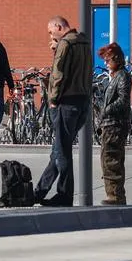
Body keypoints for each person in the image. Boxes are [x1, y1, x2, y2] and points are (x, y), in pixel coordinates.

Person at [34, 16, 92, 207]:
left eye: (51, 32)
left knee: (62, 152)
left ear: (59, 27)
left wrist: (52, 99)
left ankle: (64, 195)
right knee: (58, 150)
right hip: (82, 101)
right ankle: (39, 191)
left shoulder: (65, 44)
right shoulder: (83, 42)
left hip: (66, 103)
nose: (51, 36)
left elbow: (58, 73)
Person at [97, 42, 132, 205]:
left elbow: (123, 101)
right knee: (107, 158)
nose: (105, 63)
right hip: (110, 123)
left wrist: (107, 110)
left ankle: (116, 195)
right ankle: (113, 193)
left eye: (108, 59)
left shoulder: (122, 76)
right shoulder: (115, 77)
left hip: (115, 124)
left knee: (111, 158)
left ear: (117, 59)